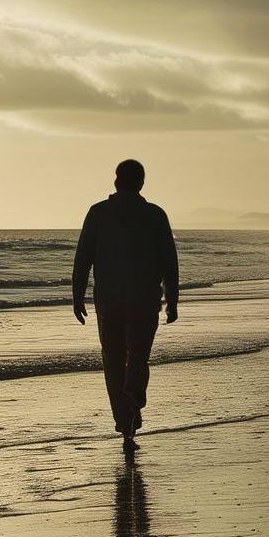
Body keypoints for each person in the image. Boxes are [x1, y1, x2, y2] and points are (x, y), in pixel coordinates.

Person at [72, 159, 180, 449]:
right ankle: (132, 400)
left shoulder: (98, 214)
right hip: (144, 301)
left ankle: (124, 423)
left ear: (117, 181)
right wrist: (173, 300)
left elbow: (83, 259)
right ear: (141, 183)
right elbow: (169, 262)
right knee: (138, 358)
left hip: (109, 302)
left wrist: (77, 295)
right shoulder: (155, 215)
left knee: (114, 362)